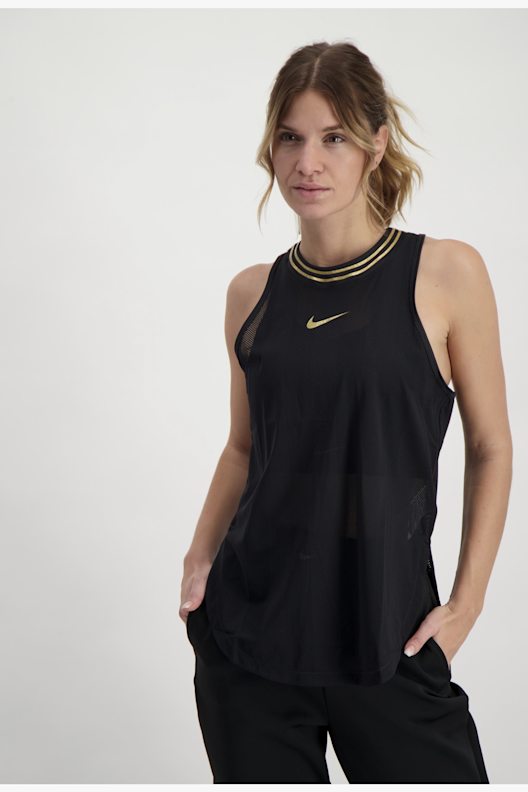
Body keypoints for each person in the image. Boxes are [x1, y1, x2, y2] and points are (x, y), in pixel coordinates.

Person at [180, 40, 512, 783]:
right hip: (250, 639)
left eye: (333, 138)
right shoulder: (251, 294)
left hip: (388, 634)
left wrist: (466, 605)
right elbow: (243, 448)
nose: (308, 162)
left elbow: (490, 446)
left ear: (376, 145)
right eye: (290, 138)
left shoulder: (444, 273)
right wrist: (199, 561)